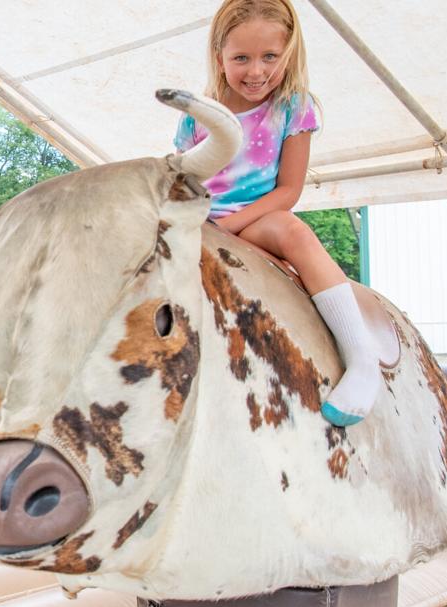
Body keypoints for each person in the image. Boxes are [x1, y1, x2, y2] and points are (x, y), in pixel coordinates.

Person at [175, 0, 377, 426]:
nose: (256, 71)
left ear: (289, 54)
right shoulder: (199, 116)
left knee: (294, 231)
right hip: (203, 221)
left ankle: (362, 358)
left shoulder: (293, 107)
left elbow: (289, 190)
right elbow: (183, 181)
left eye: (270, 57)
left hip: (256, 219)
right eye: (241, 58)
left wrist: (229, 227)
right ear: (219, 58)